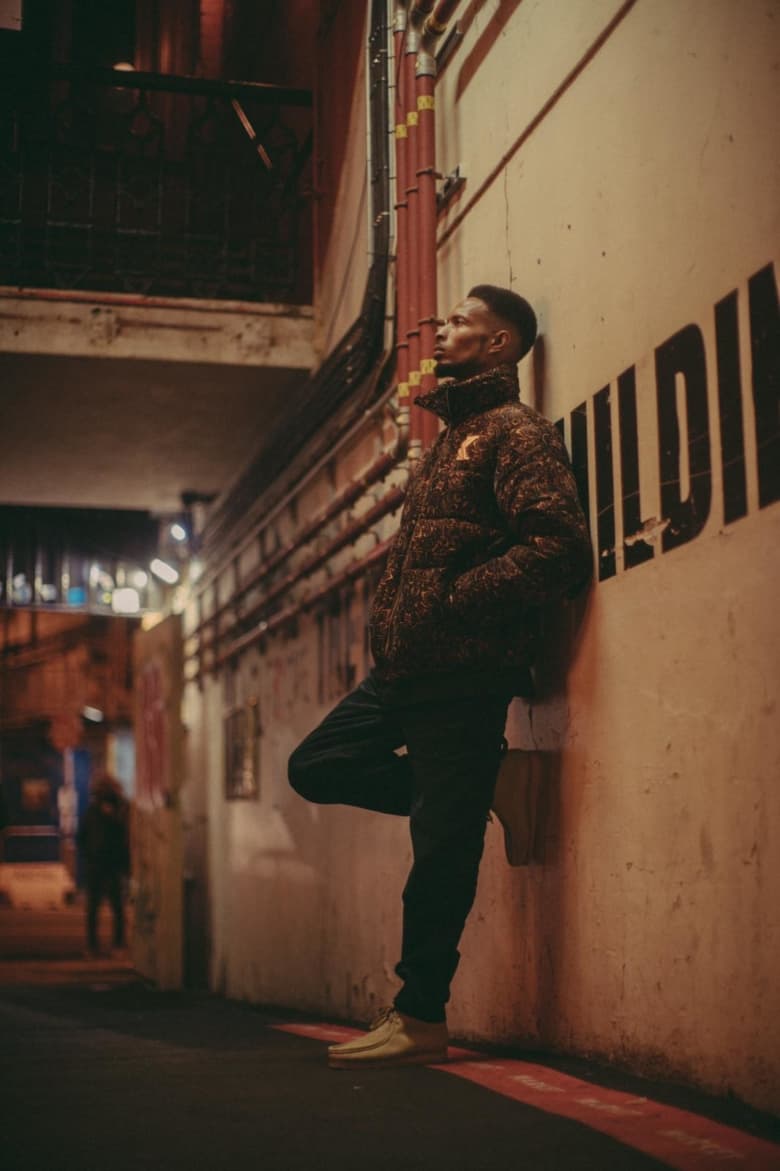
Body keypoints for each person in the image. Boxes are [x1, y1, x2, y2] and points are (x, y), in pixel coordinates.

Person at [288, 285, 592, 1068]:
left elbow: (558, 547)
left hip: (464, 673)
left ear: (499, 344)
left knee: (439, 854)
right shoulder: (452, 437)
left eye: (460, 320)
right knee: (315, 765)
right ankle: (478, 786)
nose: (443, 327)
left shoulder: (516, 433)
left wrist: (456, 601)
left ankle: (420, 1016)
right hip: (406, 669)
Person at [77, 774, 130, 955]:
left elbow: (82, 837)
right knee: (114, 908)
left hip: (101, 865)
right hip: (109, 865)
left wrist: (88, 856)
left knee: (98, 908)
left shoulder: (95, 811)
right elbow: (123, 838)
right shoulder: (118, 810)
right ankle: (114, 944)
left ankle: (96, 945)